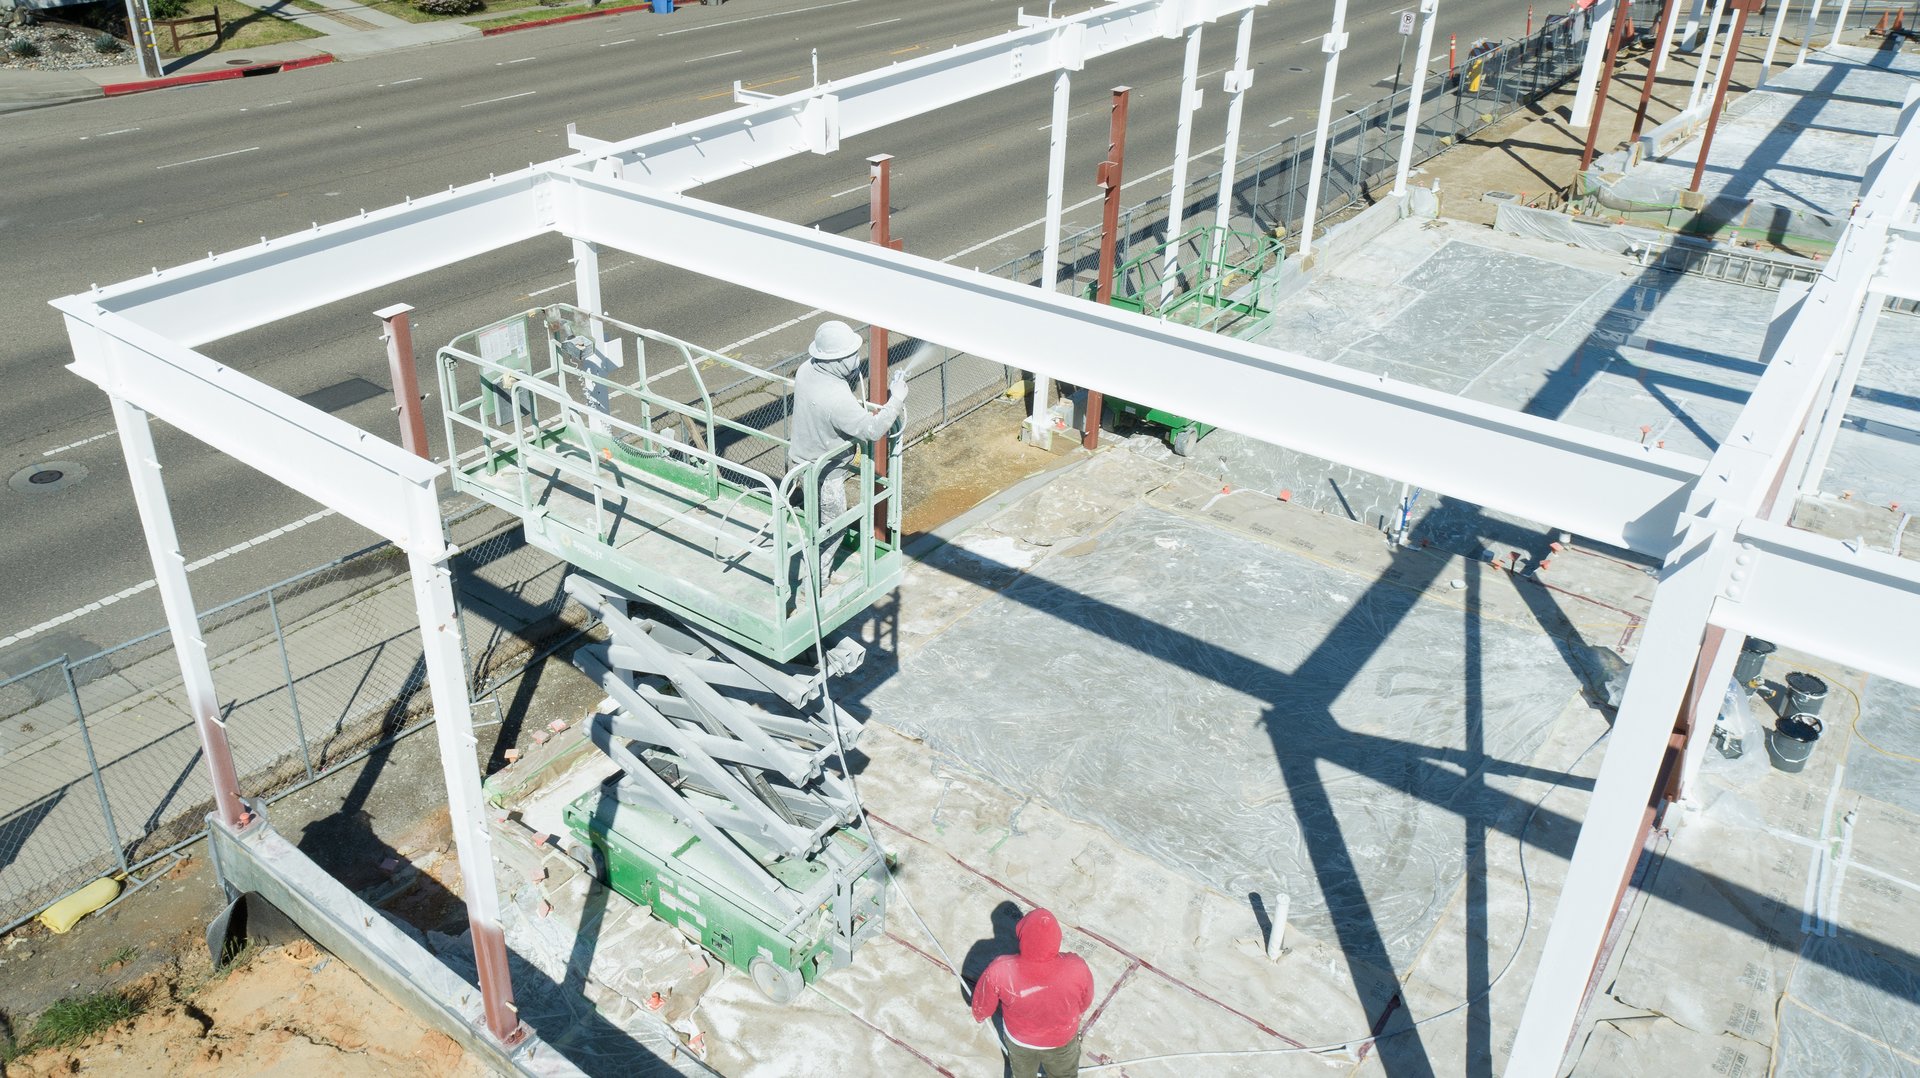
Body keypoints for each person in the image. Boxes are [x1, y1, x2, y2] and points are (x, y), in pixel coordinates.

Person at [787, 320, 908, 574]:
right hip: (826, 473)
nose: (855, 359)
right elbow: (872, 430)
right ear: (836, 361)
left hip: (798, 460)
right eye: (850, 355)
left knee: (814, 520)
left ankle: (811, 565)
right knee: (833, 528)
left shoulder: (805, 370)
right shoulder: (837, 399)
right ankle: (817, 583)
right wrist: (895, 399)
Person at [969, 907, 1094, 1078]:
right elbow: (1086, 1000)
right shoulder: (1076, 967)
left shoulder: (1000, 969)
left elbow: (983, 1003)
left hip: (1020, 1041)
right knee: (1064, 1074)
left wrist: (980, 1014)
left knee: (1022, 1073)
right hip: (1062, 1041)